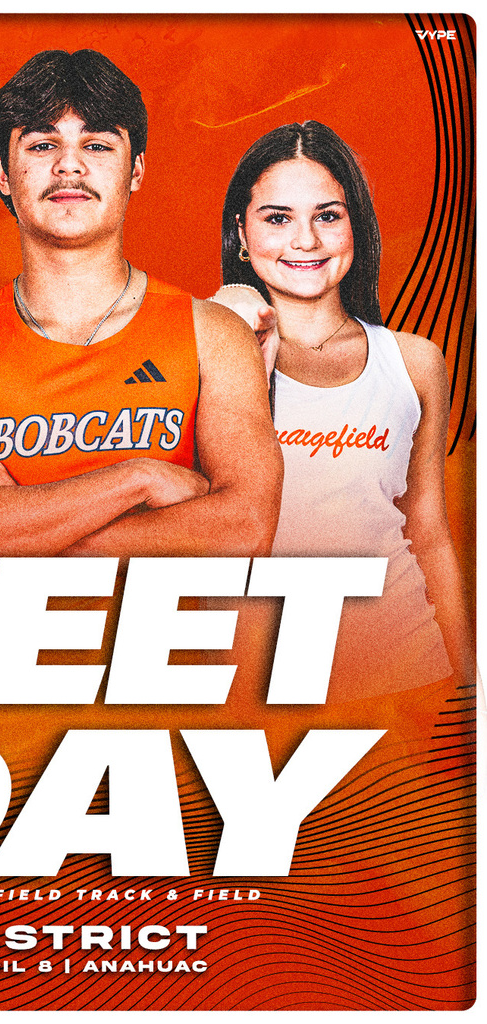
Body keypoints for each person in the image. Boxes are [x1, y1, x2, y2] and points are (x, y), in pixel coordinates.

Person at [0, 49, 282, 562]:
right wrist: (140, 479)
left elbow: (245, 527)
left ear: (136, 171)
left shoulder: (212, 335)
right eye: (41, 145)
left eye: (97, 144)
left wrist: (15, 535)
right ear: (2, 174)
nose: (69, 165)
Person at [217, 120, 473, 699]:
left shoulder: (414, 363)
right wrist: (236, 339)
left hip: (408, 674)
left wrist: (470, 687)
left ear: (355, 225)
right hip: (252, 684)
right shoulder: (198, 353)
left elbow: (428, 531)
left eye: (327, 216)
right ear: (242, 230)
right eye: (277, 218)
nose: (304, 240)